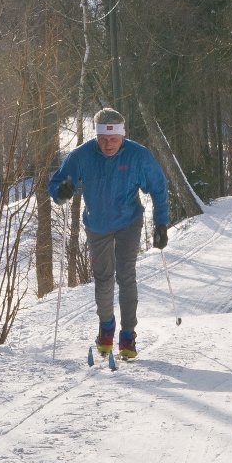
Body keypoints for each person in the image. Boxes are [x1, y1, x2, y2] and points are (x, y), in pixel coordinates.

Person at [48, 107, 171, 360]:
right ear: (96, 137)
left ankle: (128, 336)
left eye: (113, 139)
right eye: (103, 139)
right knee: (103, 278)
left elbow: (158, 187)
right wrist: (61, 191)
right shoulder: (82, 156)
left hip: (129, 222)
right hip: (97, 224)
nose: (108, 144)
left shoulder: (139, 156)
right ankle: (106, 328)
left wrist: (161, 224)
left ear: (123, 136)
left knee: (126, 276)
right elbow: (56, 185)